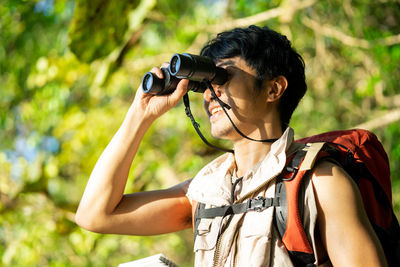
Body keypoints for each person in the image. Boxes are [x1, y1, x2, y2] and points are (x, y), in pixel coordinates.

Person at [75, 25, 387, 266]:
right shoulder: (206, 192)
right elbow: (95, 215)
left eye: (223, 76)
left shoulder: (319, 183)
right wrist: (139, 114)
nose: (210, 93)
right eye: (206, 82)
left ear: (273, 88)